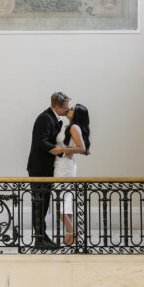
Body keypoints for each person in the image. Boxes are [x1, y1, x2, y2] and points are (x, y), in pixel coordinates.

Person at [27, 91, 71, 248]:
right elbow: (41, 142)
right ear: (57, 107)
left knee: (43, 204)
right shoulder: (45, 118)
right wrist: (59, 149)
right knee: (39, 204)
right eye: (66, 107)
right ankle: (40, 239)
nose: (68, 109)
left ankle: (42, 237)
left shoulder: (54, 118)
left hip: (46, 168)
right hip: (39, 168)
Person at [55, 103, 91, 245]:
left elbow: (82, 148)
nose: (69, 109)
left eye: (72, 109)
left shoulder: (74, 127)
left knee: (60, 202)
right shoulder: (70, 126)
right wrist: (67, 149)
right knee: (66, 202)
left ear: (76, 114)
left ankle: (73, 234)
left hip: (64, 167)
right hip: (64, 164)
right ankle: (69, 237)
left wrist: (63, 150)